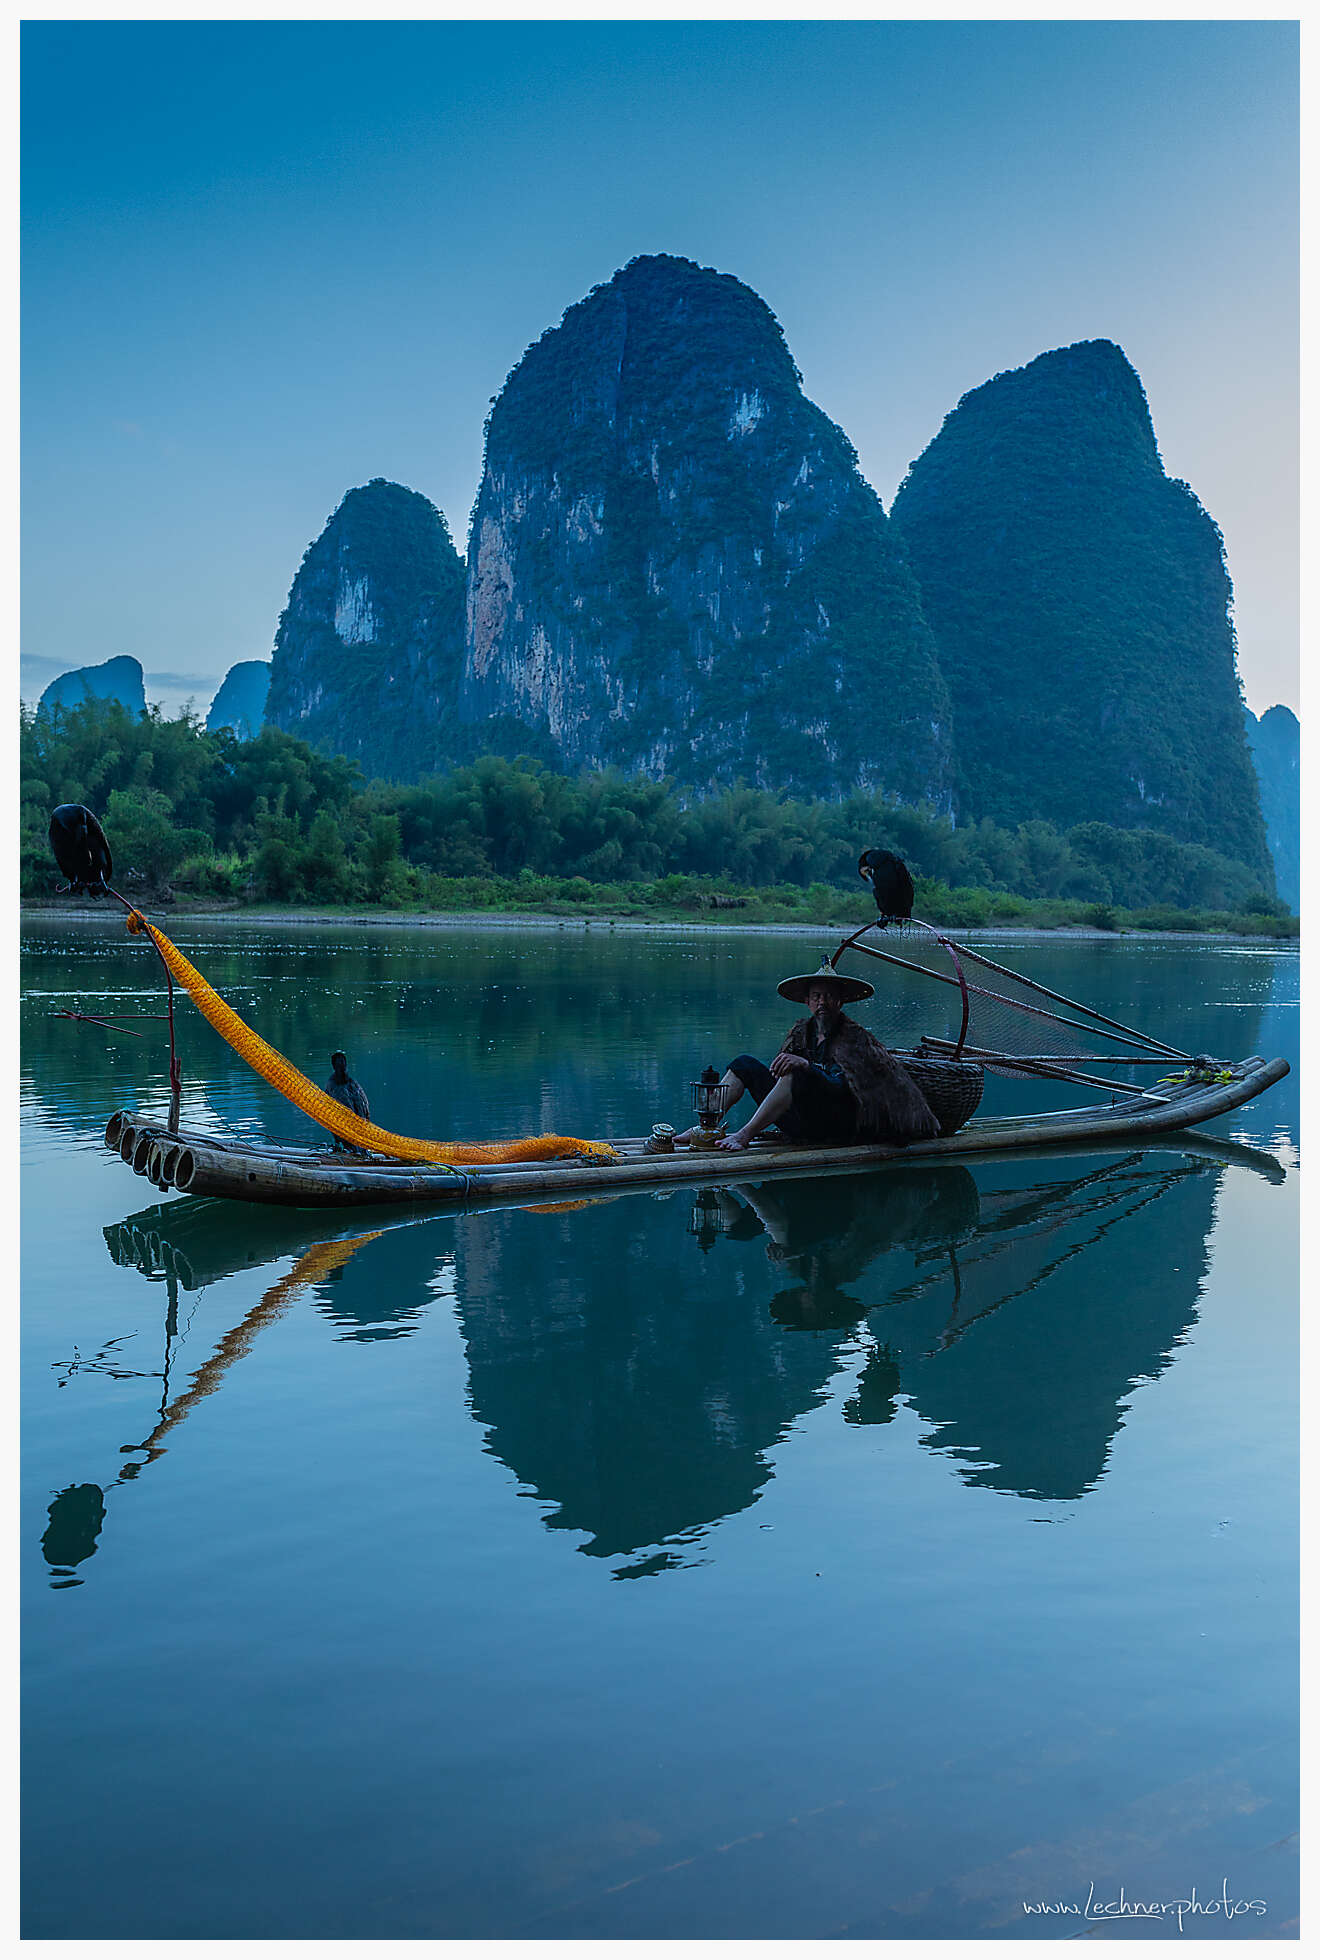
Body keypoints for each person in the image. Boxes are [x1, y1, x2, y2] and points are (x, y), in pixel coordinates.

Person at [676, 958, 939, 1154]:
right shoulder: (802, 1032)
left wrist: (807, 1066)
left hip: (834, 1127)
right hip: (800, 1118)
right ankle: (708, 1126)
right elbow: (775, 1077)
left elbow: (842, 1087)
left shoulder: (855, 1039)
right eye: (817, 996)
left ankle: (744, 1135)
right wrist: (798, 1067)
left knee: (796, 1071)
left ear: (840, 1002)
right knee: (743, 1064)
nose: (822, 1003)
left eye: (829, 997)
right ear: (808, 1002)